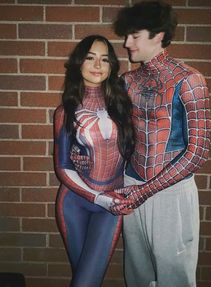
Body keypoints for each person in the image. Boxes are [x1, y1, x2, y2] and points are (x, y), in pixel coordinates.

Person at [110, 1, 211, 287]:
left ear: (157, 34)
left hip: (172, 193)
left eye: (134, 35)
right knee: (137, 275)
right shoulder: (127, 80)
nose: (127, 43)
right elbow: (113, 131)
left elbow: (198, 153)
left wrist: (144, 191)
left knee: (174, 276)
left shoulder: (190, 80)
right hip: (132, 183)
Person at [53, 34, 135, 287]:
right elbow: (63, 167)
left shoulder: (123, 105)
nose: (98, 66)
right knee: (86, 280)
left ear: (111, 66)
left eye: (105, 59)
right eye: (90, 58)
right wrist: (100, 198)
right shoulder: (65, 111)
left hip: (111, 208)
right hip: (74, 204)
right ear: (79, 63)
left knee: (85, 281)